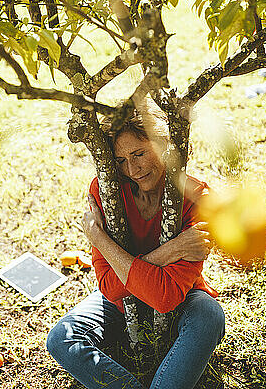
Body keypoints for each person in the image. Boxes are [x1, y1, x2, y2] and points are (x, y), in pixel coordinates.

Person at [46, 104, 225, 389]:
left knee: (209, 315)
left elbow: (165, 298)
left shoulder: (199, 199)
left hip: (183, 299)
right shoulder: (106, 191)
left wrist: (101, 241)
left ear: (163, 144)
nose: (133, 169)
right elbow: (109, 287)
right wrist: (171, 250)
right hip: (119, 304)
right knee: (61, 338)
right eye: (120, 160)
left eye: (139, 154)